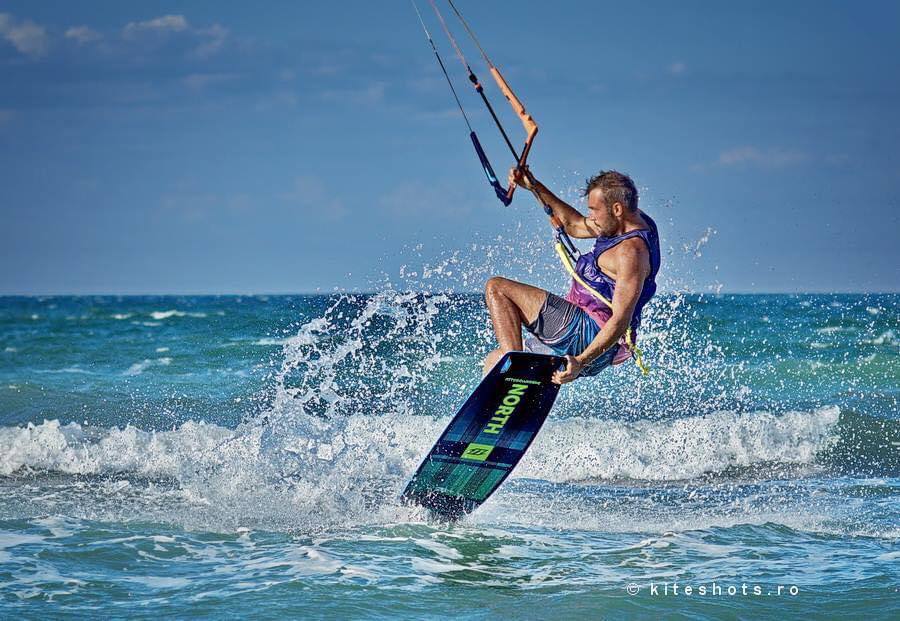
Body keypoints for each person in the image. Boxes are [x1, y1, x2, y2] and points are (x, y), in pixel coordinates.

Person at [482, 168, 661, 384]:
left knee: (497, 288)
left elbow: (620, 320)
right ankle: (507, 403)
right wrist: (534, 186)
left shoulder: (631, 253)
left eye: (595, 210)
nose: (591, 217)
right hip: (594, 343)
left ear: (617, 209)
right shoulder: (628, 222)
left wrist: (580, 361)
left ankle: (515, 375)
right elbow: (574, 225)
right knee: (495, 361)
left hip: (587, 335)